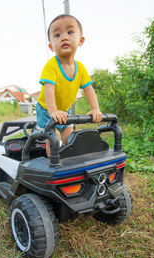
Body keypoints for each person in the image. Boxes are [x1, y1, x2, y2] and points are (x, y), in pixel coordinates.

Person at [36, 14, 103, 156]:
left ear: (81, 40)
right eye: (57, 35)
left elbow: (89, 89)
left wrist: (95, 108)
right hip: (46, 108)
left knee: (69, 135)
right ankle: (52, 163)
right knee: (51, 137)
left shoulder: (81, 68)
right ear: (51, 46)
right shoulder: (51, 65)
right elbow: (49, 89)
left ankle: (68, 160)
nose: (64, 37)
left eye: (70, 32)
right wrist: (52, 111)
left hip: (64, 110)